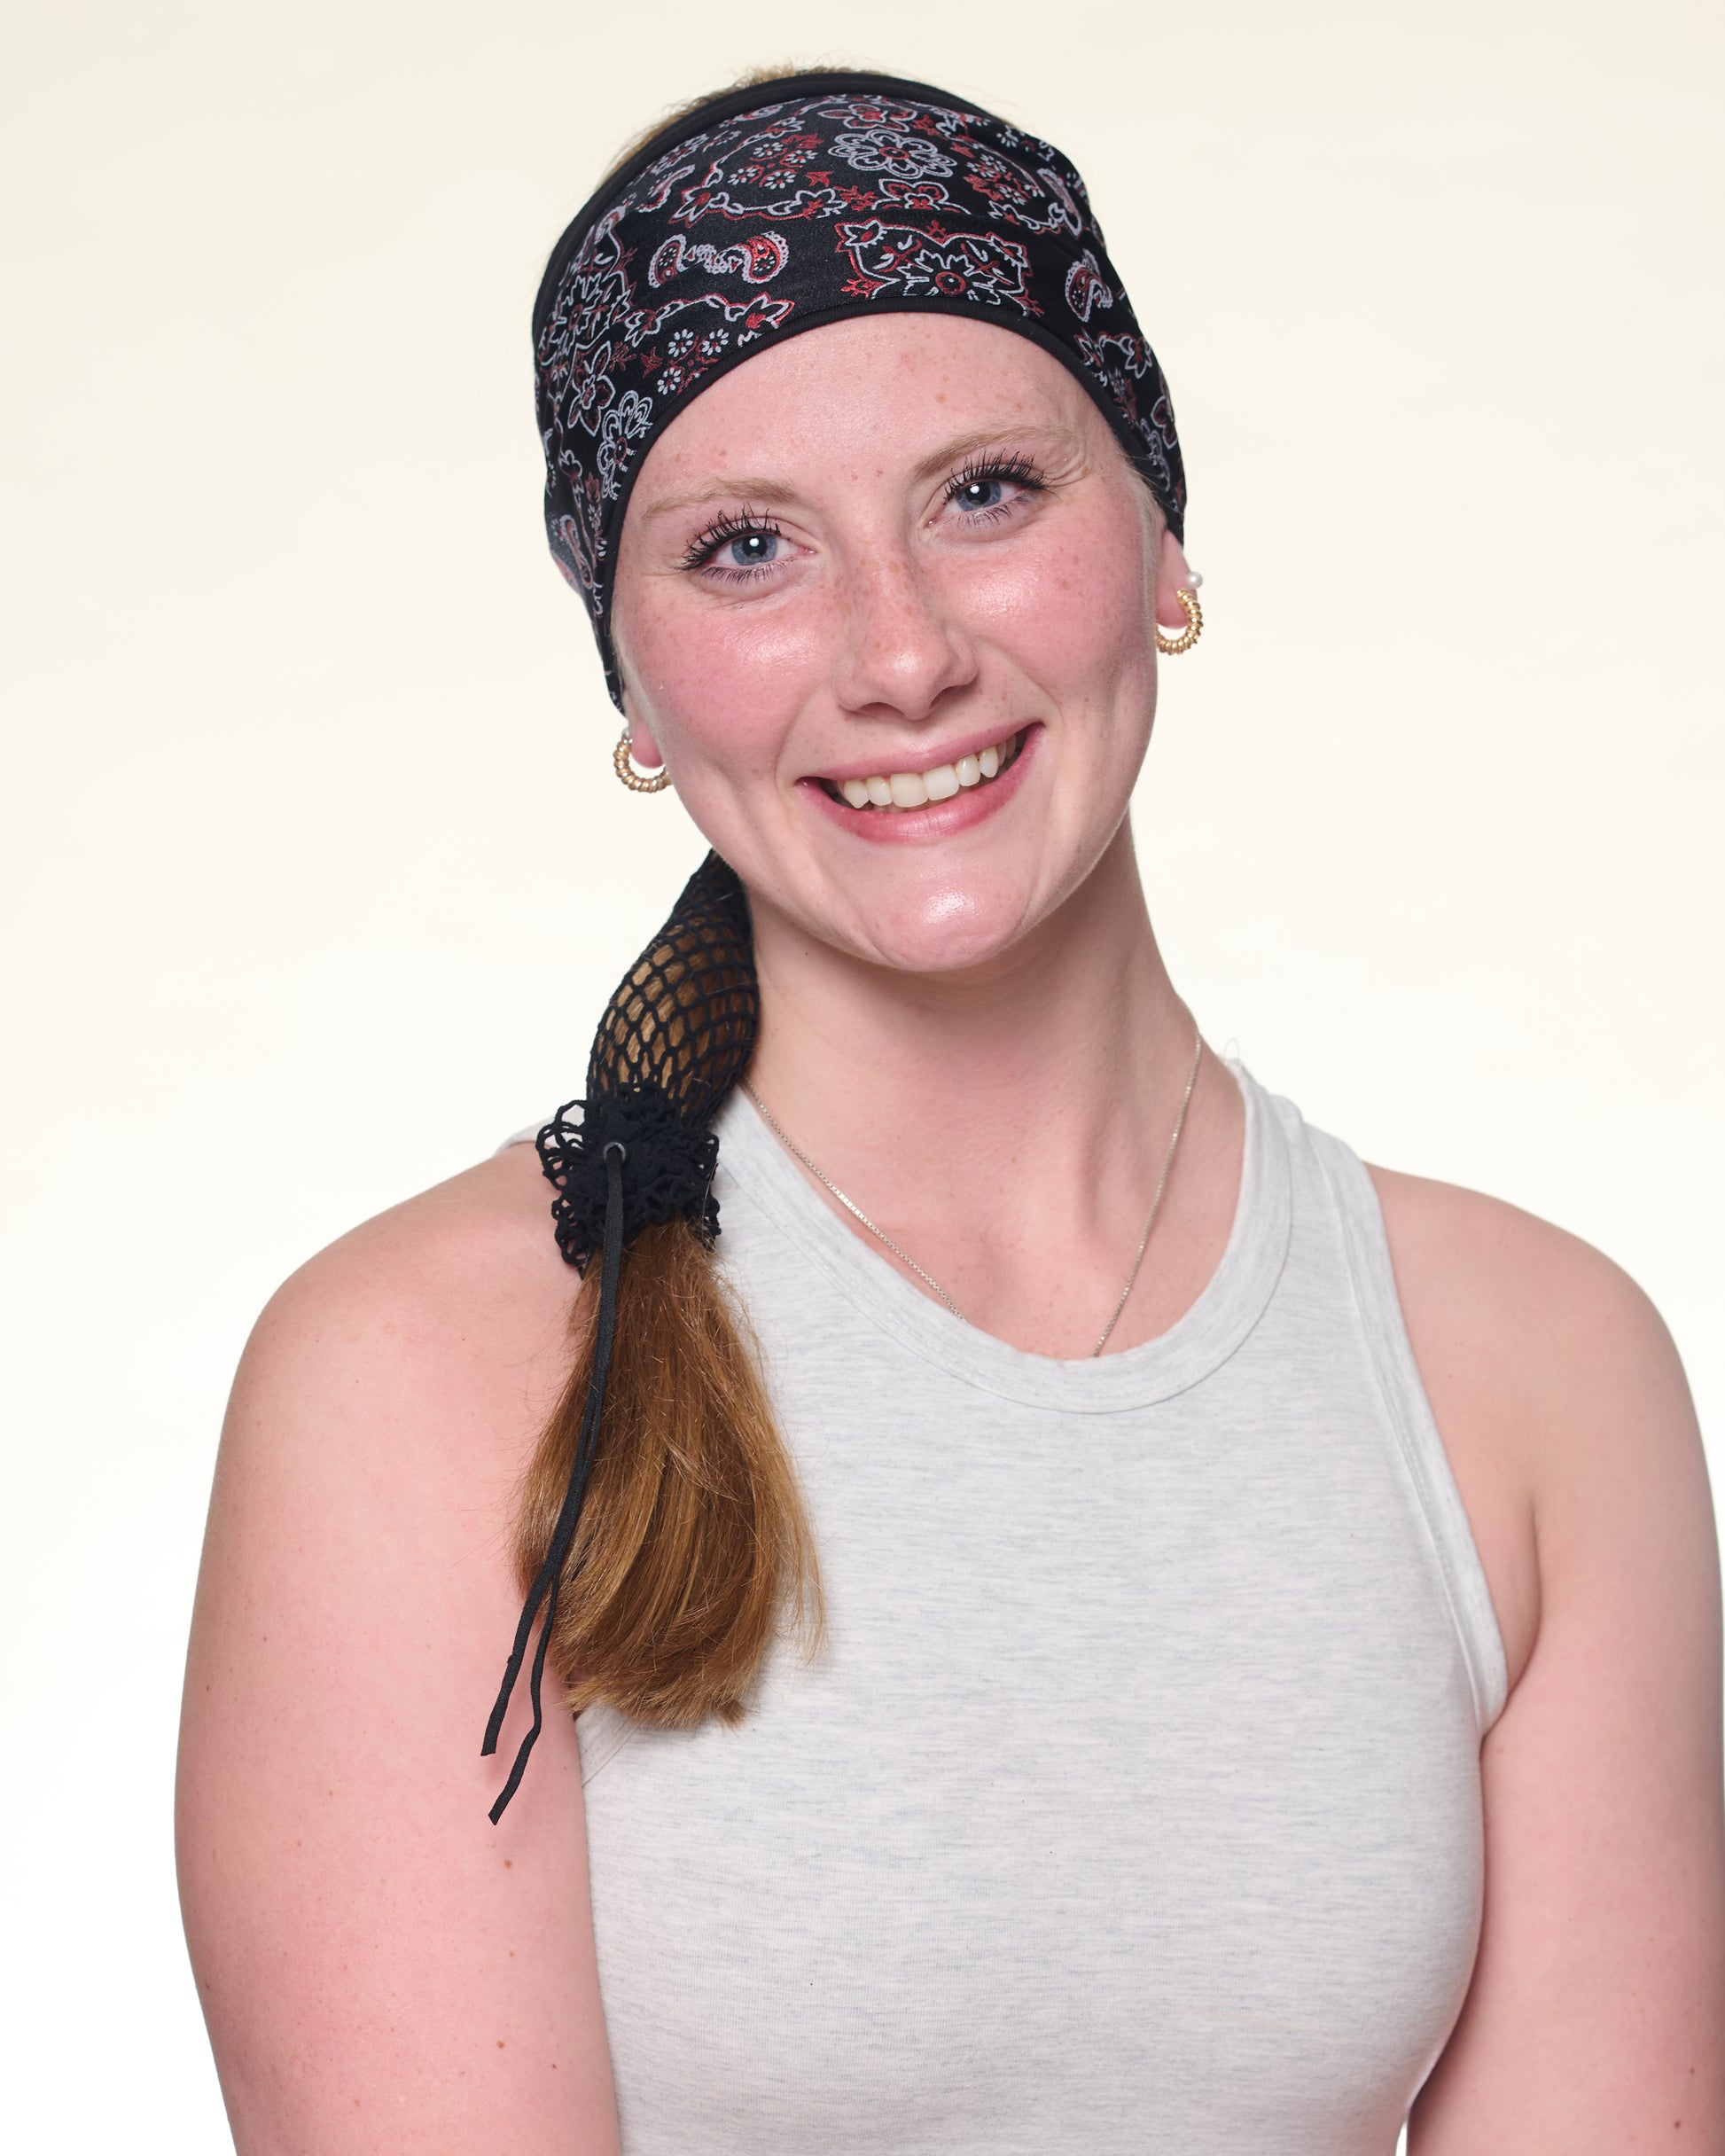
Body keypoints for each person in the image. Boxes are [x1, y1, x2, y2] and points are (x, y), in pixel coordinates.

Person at [176, 66, 1725, 2154]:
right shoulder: (418, 1380)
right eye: (746, 548)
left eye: (986, 491)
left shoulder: (1531, 1372)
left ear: (1159, 539)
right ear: (633, 684)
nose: (898, 655)